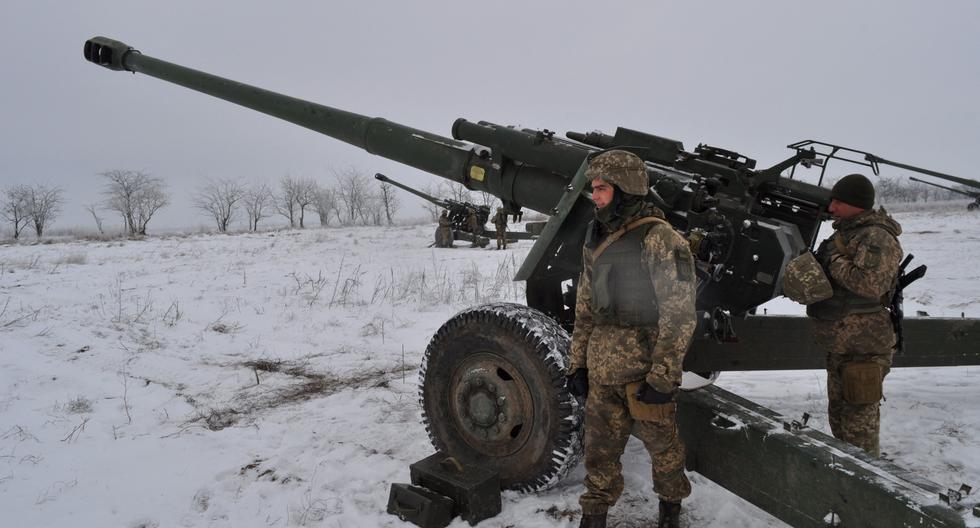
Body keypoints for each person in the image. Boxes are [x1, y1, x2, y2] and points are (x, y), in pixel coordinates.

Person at [566, 150, 697, 528]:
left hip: (644, 375)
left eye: (602, 189)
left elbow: (679, 313)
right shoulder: (597, 238)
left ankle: (670, 513)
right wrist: (578, 364)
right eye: (594, 189)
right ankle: (593, 519)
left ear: (626, 189)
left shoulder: (661, 239)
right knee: (599, 457)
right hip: (603, 372)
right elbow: (585, 308)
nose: (595, 196)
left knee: (666, 456)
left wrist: (663, 376)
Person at [805, 173, 903, 457]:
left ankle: (866, 487)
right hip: (842, 345)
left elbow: (870, 284)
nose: (832, 207)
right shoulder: (847, 233)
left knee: (858, 433)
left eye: (838, 201)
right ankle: (847, 483)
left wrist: (833, 261)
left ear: (856, 204)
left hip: (864, 348)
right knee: (840, 422)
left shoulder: (876, 237)